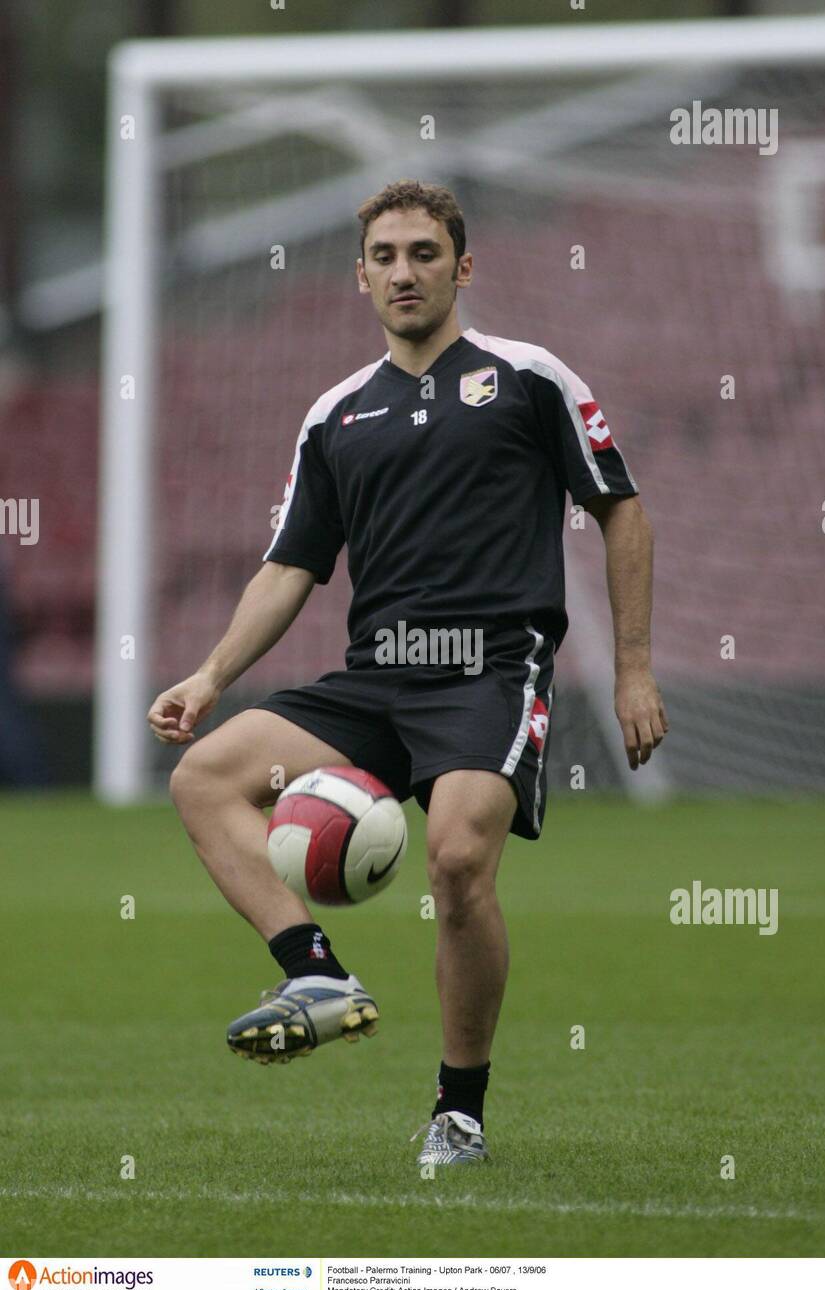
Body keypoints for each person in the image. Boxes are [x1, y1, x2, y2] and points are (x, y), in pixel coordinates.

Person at [148, 179, 668, 1167]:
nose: (403, 271)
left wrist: (634, 669)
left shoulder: (528, 377)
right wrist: (210, 675)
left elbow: (621, 510)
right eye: (384, 256)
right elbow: (290, 565)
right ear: (359, 276)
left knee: (459, 860)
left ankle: (458, 1110)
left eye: (423, 253)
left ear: (461, 266)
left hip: (488, 669)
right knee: (204, 775)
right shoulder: (336, 414)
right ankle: (318, 977)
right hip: (375, 679)